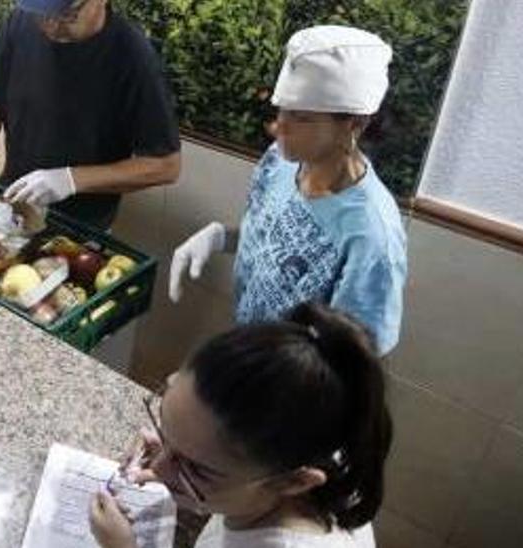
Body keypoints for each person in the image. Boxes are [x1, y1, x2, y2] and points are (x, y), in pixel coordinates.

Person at [168, 26, 407, 355]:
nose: (279, 126)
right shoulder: (279, 161)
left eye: (301, 118)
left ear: (355, 123)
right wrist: (222, 237)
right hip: (250, 353)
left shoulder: (372, 236)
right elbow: (274, 242)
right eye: (281, 111)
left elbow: (353, 359)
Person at [90, 301, 392, 548]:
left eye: (199, 469)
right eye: (163, 430)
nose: (157, 466)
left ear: (293, 482)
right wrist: (182, 452)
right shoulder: (317, 442)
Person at [0, 0, 182, 231]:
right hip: (11, 209)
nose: (51, 26)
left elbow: (165, 165)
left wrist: (72, 179)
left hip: (81, 232)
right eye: (43, 14)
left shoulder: (133, 56)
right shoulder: (22, 21)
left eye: (67, 15)